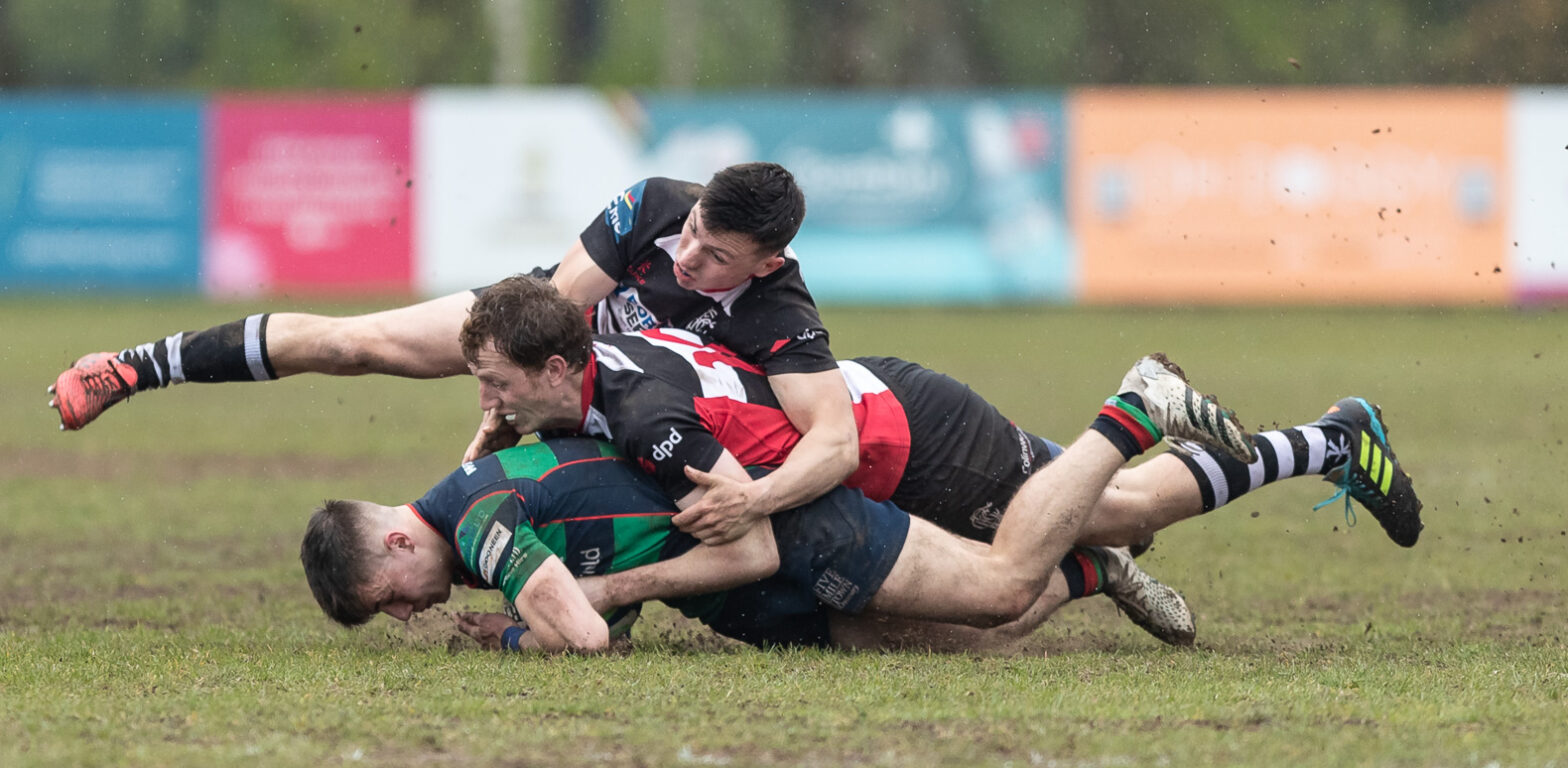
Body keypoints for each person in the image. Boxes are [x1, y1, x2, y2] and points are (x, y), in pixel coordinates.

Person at [49, 162, 860, 529]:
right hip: (539, 335)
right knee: (354, 344)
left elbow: (836, 440)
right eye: (689, 235)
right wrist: (506, 405)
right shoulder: (653, 202)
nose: (687, 258)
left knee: (624, 478)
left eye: (714, 257)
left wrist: (755, 502)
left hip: (624, 404)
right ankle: (135, 367)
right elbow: (554, 313)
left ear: (769, 261)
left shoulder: (781, 313)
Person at [299, 354, 1249, 653]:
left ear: (391, 539)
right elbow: (595, 591)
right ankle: (1091, 570)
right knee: (966, 639)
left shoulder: (476, 522)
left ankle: (1131, 410)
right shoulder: (474, 509)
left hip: (795, 522)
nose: (406, 613)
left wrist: (520, 629)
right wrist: (546, 607)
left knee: (1001, 590)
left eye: (388, 596)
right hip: (739, 594)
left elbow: (585, 636)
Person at [459, 275, 1425, 555]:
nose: (487, 404)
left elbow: (747, 514)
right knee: (1101, 511)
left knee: (1119, 513)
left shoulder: (642, 411)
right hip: (891, 407)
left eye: (497, 383)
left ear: (556, 363)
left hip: (904, 438)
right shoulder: (598, 357)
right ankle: (1318, 439)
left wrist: (745, 508)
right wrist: (516, 422)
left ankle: (1325, 439)